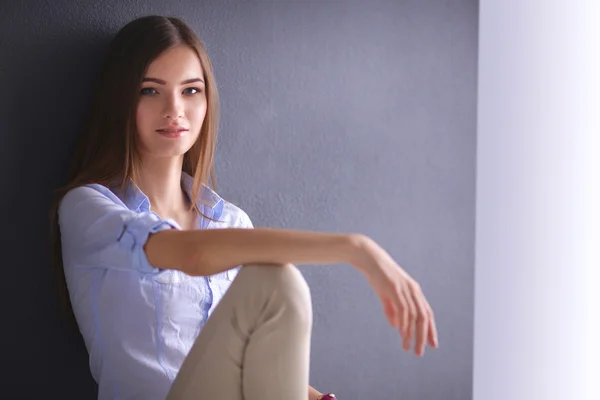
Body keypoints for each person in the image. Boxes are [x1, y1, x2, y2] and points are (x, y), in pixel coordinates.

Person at [50, 15, 438, 400]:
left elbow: (247, 365)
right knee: (278, 283)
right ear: (121, 98)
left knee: (275, 286)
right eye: (150, 91)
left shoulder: (229, 222)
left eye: (191, 90)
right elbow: (193, 254)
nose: (175, 109)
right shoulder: (89, 209)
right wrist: (356, 248)